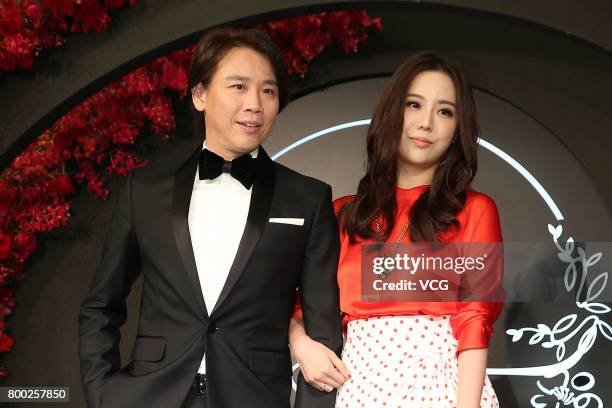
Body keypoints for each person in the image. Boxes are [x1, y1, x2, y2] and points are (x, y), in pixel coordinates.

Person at [78, 27, 342, 408]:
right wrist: (103, 395)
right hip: (150, 396)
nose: (255, 104)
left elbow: (324, 330)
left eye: (268, 91)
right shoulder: (146, 190)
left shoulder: (308, 198)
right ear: (200, 95)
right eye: (238, 86)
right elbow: (101, 306)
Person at [289, 51, 504, 407]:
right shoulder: (343, 214)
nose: (426, 124)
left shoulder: (475, 211)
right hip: (357, 387)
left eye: (445, 111)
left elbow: (475, 317)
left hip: (440, 389)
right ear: (392, 114)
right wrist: (300, 344)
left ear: (457, 130)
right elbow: (300, 305)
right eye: (414, 105)